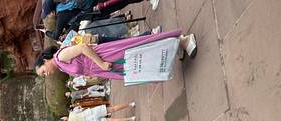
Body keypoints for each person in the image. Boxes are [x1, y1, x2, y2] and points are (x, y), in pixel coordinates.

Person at [35, 30, 197, 80]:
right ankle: (174, 47)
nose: (46, 74)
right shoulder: (62, 66)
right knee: (140, 61)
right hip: (105, 64)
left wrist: (101, 64)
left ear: (45, 60)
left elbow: (83, 47)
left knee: (139, 51)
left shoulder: (60, 56)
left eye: (43, 71)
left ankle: (183, 41)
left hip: (107, 57)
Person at [61, 102, 136, 121]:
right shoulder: (71, 114)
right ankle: (130, 104)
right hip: (90, 113)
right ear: (64, 119)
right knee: (112, 109)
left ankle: (130, 119)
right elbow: (80, 108)